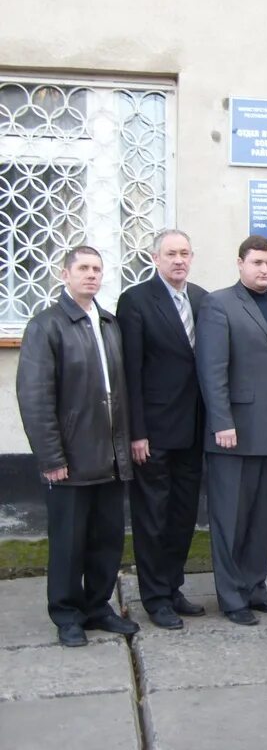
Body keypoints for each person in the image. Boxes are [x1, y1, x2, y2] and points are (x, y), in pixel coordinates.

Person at [16, 246, 139, 646]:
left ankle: (97, 606)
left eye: (97, 269)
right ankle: (67, 614)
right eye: (83, 268)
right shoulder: (46, 325)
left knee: (107, 539)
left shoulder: (108, 323)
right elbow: (35, 397)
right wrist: (51, 456)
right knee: (69, 542)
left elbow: (119, 390)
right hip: (71, 457)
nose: (91, 275)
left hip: (110, 456)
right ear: (64, 275)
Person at [196, 235, 267, 625]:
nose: (264, 270)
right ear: (240, 263)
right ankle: (231, 596)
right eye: (257, 262)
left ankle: (256, 587)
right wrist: (222, 421)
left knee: (261, 518)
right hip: (233, 433)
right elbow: (212, 368)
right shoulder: (218, 304)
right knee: (230, 518)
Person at [117, 229, 207, 630]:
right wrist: (136, 432)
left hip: (194, 429)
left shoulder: (203, 300)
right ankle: (154, 597)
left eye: (185, 253)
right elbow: (130, 373)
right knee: (152, 516)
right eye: (171, 253)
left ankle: (173, 586)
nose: (178, 260)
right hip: (152, 432)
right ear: (155, 258)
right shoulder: (136, 301)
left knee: (183, 514)